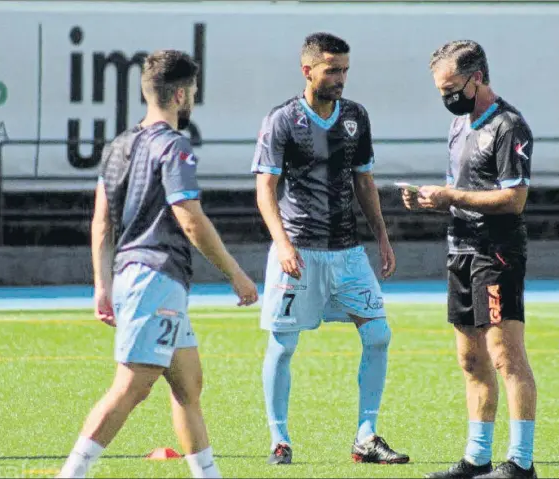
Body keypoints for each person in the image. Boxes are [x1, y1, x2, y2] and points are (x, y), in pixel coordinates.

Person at [57, 50, 258, 479]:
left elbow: (101, 220)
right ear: (181, 94)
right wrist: (235, 273)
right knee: (131, 385)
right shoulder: (174, 145)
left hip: (134, 275)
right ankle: (71, 474)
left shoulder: (118, 146)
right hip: (156, 278)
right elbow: (188, 215)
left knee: (188, 385)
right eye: (194, 94)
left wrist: (102, 283)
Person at [251, 32, 410, 466]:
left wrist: (381, 234)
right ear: (308, 71)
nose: (341, 78)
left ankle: (366, 436)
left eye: (344, 69)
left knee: (378, 334)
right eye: (332, 70)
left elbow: (364, 180)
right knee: (282, 347)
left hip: (347, 251)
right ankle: (279, 439)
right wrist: (282, 243)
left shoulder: (356, 117)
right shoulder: (282, 119)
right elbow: (265, 188)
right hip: (298, 251)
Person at [401, 40, 537, 479]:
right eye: (440, 89)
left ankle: (521, 462)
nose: (446, 97)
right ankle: (477, 458)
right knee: (470, 359)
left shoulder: (509, 125)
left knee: (505, 355)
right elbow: (459, 188)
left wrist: (451, 196)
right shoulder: (459, 125)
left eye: (451, 87)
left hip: (495, 252)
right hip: (459, 250)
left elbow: (513, 199)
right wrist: (430, 202)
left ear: (476, 78)